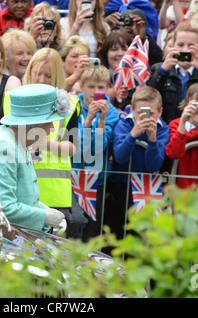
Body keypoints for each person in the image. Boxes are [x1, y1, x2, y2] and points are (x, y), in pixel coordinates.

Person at [0, 83, 70, 234]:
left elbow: (22, 198)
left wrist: (46, 211)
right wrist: (45, 216)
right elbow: (3, 208)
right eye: (49, 122)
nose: (52, 127)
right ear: (34, 125)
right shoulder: (3, 147)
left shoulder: (15, 139)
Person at [19, 48, 84, 239]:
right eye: (38, 73)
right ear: (30, 71)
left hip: (55, 194)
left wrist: (45, 143)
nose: (41, 80)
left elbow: (71, 147)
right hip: (21, 190)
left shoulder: (69, 105)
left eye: (48, 75)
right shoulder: (11, 100)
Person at [109, 86, 169, 242]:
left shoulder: (163, 129)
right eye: (140, 113)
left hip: (149, 187)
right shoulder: (124, 124)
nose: (145, 118)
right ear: (131, 110)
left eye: (151, 113)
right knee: (128, 229)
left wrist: (153, 140)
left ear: (160, 112)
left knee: (149, 231)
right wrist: (133, 134)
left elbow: (153, 166)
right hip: (124, 185)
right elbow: (120, 157)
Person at [146, 20, 198, 124]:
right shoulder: (159, 69)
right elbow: (147, 100)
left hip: (197, 132)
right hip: (167, 131)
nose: (185, 50)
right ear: (173, 46)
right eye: (180, 45)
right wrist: (163, 71)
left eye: (191, 45)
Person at [73, 65, 119, 241]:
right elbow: (79, 147)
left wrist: (101, 120)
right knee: (74, 224)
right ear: (81, 86)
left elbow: (98, 148)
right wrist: (88, 121)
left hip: (97, 179)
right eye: (91, 87)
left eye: (101, 87)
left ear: (107, 88)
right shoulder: (72, 107)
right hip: (74, 175)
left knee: (92, 230)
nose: (96, 92)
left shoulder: (111, 112)